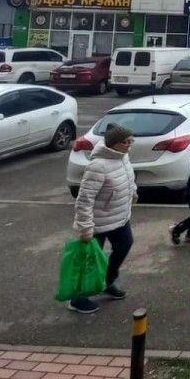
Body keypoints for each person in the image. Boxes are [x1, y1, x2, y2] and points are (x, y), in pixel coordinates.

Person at [70, 124, 137, 314]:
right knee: (90, 260)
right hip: (98, 222)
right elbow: (85, 199)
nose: (129, 145)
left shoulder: (123, 156)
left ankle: (108, 281)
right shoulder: (98, 166)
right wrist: (85, 227)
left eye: (131, 141)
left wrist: (133, 192)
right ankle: (78, 299)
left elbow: (128, 178)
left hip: (119, 216)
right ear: (113, 143)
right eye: (126, 142)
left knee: (124, 245)